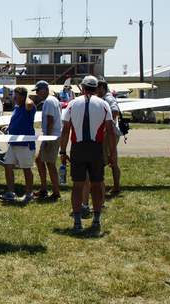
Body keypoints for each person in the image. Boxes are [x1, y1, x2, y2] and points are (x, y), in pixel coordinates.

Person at [60, 75, 116, 231]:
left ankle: (77, 222)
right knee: (97, 184)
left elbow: (65, 129)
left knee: (77, 185)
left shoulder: (72, 104)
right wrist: (112, 153)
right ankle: (96, 219)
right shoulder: (104, 104)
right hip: (96, 148)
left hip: (78, 147)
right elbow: (110, 130)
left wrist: (63, 151)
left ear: (82, 88)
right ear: (97, 88)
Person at [0, 86, 37, 202]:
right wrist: (9, 127)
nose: (13, 99)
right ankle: (11, 192)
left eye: (15, 97)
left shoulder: (29, 107)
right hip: (13, 142)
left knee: (26, 168)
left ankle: (29, 193)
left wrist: (27, 97)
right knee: (8, 165)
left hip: (25, 144)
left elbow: (30, 104)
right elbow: (16, 119)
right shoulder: (17, 107)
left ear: (23, 97)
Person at [33, 80, 62, 200]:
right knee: (40, 161)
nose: (38, 93)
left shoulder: (49, 102)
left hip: (51, 136)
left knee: (51, 165)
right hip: (51, 135)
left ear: (44, 89)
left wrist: (48, 140)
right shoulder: (53, 100)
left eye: (38, 90)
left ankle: (56, 192)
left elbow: (50, 121)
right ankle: (44, 189)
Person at [97, 81, 122, 194]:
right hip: (110, 133)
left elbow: (115, 110)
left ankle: (100, 185)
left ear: (102, 87)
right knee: (112, 159)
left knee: (105, 159)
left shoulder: (108, 98)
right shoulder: (105, 98)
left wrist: (108, 127)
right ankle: (115, 186)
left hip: (109, 134)